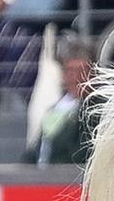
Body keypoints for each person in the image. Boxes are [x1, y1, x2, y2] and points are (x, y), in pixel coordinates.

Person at [29, 36, 98, 166]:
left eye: (79, 71)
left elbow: (81, 154)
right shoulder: (55, 108)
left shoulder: (95, 109)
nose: (74, 77)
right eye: (69, 71)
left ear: (91, 73)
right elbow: (37, 149)